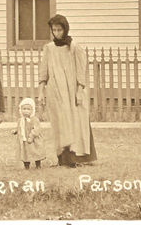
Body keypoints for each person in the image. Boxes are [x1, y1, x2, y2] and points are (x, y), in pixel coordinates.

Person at [38, 14, 96, 167]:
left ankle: (77, 158)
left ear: (65, 30)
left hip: (72, 92)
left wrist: (79, 91)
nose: (57, 33)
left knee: (74, 122)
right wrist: (40, 93)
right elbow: (44, 73)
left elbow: (81, 72)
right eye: (54, 30)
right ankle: (62, 158)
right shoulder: (49, 49)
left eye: (59, 30)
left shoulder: (74, 47)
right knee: (59, 124)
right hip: (55, 92)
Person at [12, 97, 44, 169]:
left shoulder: (34, 119)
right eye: (24, 109)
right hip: (24, 139)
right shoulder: (20, 119)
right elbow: (19, 126)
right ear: (21, 110)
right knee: (25, 152)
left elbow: (37, 129)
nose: (26, 111)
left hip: (33, 139)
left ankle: (38, 164)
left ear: (32, 110)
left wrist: (31, 136)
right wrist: (15, 130)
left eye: (28, 109)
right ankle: (26, 165)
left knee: (35, 150)